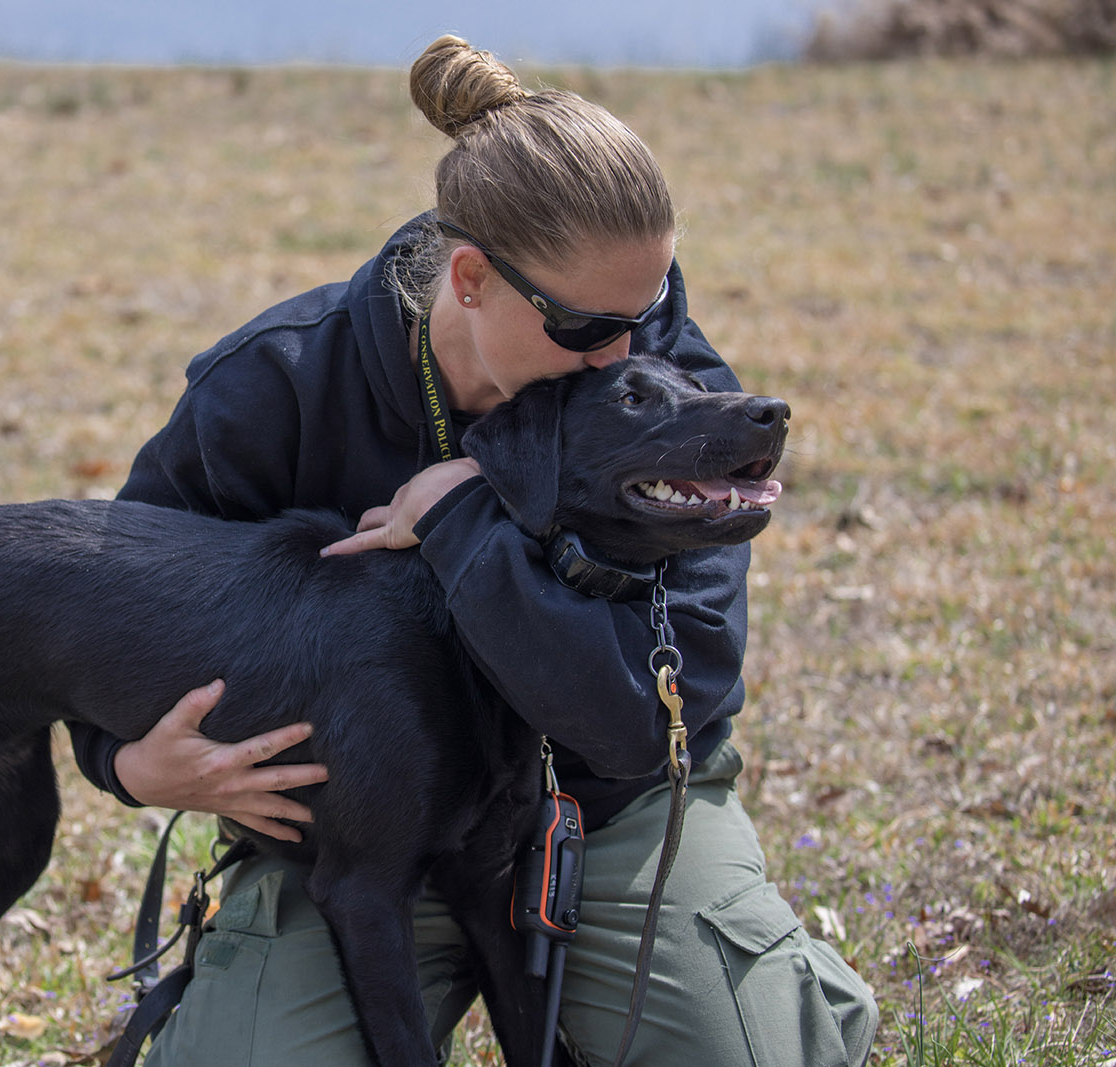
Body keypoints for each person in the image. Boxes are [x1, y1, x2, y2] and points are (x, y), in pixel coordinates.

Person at [67, 34, 878, 1067]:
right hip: (359, 836)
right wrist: (127, 764)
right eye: (589, 328)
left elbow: (667, 705)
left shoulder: (675, 394)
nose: (628, 357)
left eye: (653, 307)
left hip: (613, 816)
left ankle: (770, 988)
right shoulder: (272, 390)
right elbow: (104, 603)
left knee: (745, 1054)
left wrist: (463, 521)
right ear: (470, 279)